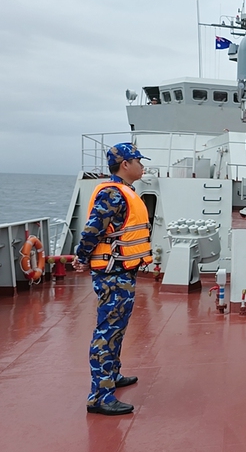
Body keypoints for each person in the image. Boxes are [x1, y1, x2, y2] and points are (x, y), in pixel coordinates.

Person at [72, 143, 153, 416]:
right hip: (113, 275)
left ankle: (112, 375)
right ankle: (99, 396)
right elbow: (93, 230)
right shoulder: (113, 194)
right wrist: (81, 257)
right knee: (106, 333)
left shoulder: (124, 191)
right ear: (125, 164)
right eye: (138, 161)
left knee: (116, 329)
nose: (142, 166)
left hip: (122, 272)